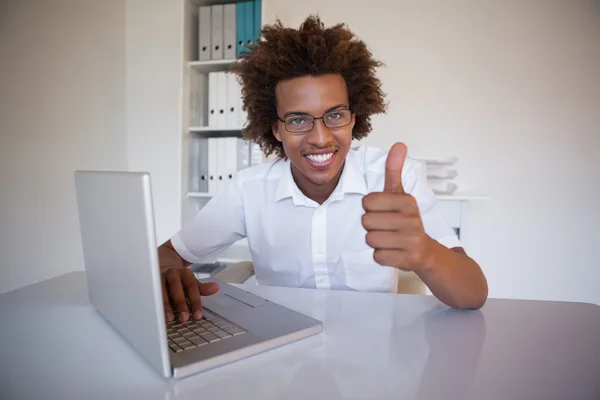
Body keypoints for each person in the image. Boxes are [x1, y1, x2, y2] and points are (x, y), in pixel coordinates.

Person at [158, 15, 488, 323]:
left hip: (371, 359)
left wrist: (425, 252)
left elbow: (473, 293)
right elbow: (168, 256)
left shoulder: (396, 180)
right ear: (276, 130)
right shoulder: (250, 189)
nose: (320, 138)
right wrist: (169, 275)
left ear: (354, 118)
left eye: (335, 115)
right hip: (279, 357)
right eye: (298, 120)